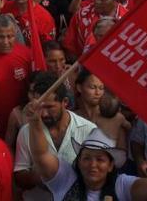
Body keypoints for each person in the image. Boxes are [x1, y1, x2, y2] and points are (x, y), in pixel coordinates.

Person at [22, 101, 147, 201]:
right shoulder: (65, 179)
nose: (93, 164)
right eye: (86, 158)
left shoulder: (121, 185)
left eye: (100, 160)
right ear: (78, 161)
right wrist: (35, 122)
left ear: (111, 165)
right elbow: (41, 154)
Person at [14, 72, 96, 201]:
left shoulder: (89, 130)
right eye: (39, 108)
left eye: (49, 107)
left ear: (65, 102)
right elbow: (19, 175)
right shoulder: (26, 132)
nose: (44, 114)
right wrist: (40, 177)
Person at [63, 0, 127, 58]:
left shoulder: (127, 19)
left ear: (117, 0)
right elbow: (70, 46)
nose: (97, 1)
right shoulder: (81, 15)